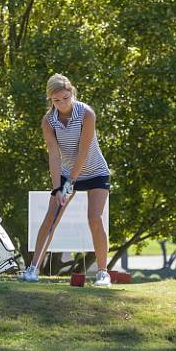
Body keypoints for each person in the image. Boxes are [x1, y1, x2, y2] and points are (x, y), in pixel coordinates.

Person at [20, 74, 112, 287]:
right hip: (66, 172)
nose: (61, 104)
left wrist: (70, 182)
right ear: (50, 100)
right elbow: (54, 154)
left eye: (65, 98)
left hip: (95, 171)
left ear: (72, 93)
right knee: (51, 217)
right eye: (56, 100)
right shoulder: (48, 121)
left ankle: (102, 273)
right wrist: (57, 188)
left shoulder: (86, 114)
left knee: (94, 218)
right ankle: (33, 269)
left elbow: (83, 150)